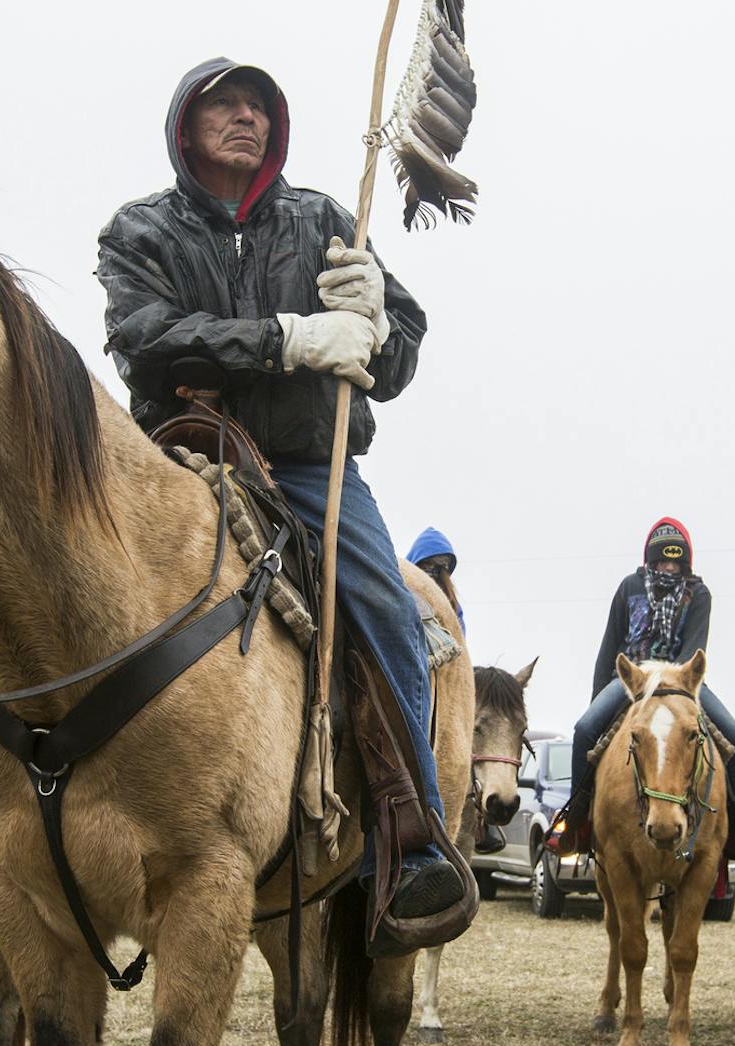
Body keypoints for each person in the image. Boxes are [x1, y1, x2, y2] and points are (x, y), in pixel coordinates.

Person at [89, 57, 461, 920]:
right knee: (45, 573)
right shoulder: (139, 230)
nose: (246, 116)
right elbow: (145, 339)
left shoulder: (327, 218)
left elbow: (398, 356)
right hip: (174, 456)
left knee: (389, 609)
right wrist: (285, 339)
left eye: (259, 105)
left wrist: (380, 316)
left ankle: (414, 840)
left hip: (305, 463)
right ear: (187, 123)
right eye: (227, 103)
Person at [544, 519, 735, 867]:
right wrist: (598, 699)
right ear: (650, 561)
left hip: (681, 681)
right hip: (632, 680)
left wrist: (672, 682)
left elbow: (695, 649)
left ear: (685, 563)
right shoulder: (629, 587)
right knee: (583, 729)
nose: (669, 568)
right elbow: (610, 647)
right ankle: (577, 821)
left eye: (676, 563)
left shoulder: (699, 594)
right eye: (663, 562)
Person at [407, 527, 462, 631]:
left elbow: (460, 639)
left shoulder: (452, 606)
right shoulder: (403, 593)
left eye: (440, 566)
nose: (432, 570)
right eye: (427, 564)